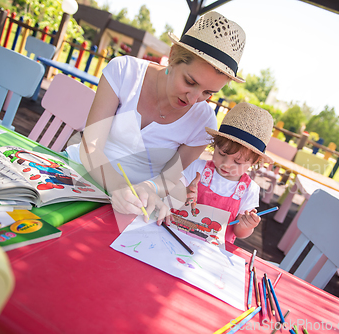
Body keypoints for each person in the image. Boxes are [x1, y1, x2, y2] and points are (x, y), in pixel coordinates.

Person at [65, 11, 246, 222]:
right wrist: (118, 188)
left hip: (134, 205)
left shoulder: (204, 122)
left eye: (208, 93)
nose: (194, 98)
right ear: (173, 57)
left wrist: (149, 188)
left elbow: (169, 176)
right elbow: (90, 147)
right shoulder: (124, 71)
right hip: (77, 176)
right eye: (190, 81)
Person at [180, 102, 274, 244]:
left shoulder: (249, 190)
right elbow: (171, 193)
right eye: (222, 153)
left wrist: (246, 226)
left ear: (253, 163)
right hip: (179, 234)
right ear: (215, 145)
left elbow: (238, 232)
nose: (226, 164)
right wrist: (183, 193)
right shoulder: (198, 168)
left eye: (238, 162)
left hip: (213, 251)